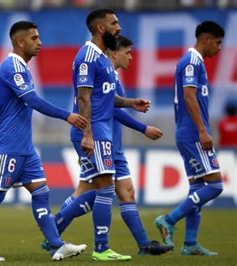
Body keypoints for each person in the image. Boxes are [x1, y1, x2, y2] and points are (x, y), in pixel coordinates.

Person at [0, 21, 89, 262]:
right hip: (7, 146)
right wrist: (67, 115)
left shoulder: (22, 68)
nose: (40, 42)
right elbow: (32, 100)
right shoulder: (11, 66)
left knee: (41, 192)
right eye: (34, 38)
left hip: (25, 147)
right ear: (20, 41)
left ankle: (56, 245)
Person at [43, 35, 172, 256]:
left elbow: (111, 103)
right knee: (98, 191)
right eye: (127, 52)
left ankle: (144, 244)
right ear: (114, 53)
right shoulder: (98, 67)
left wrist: (131, 103)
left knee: (123, 192)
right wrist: (142, 129)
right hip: (99, 139)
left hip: (110, 141)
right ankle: (57, 233)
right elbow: (106, 107)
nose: (131, 57)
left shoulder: (110, 74)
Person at [64, 9, 152, 261]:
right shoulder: (87, 56)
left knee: (100, 189)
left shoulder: (102, 58)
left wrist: (130, 102)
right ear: (101, 28)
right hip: (96, 133)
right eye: (114, 23)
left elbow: (105, 97)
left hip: (102, 132)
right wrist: (88, 134)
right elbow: (84, 97)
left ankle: (54, 229)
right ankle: (101, 248)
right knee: (104, 189)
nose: (119, 27)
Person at [155, 21, 225, 256]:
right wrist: (203, 130)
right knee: (215, 185)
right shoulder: (192, 61)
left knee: (197, 186)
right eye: (217, 42)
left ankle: (191, 243)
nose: (219, 48)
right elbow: (189, 97)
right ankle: (168, 219)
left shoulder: (195, 63)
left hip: (189, 132)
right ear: (206, 39)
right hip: (193, 133)